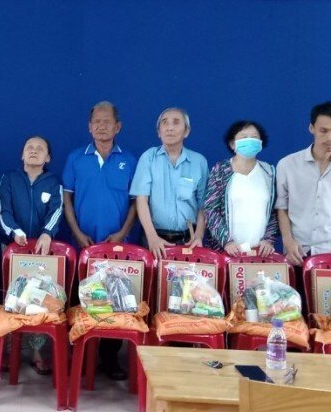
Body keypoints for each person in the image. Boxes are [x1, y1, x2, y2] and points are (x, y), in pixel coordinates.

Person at [62, 101, 138, 381]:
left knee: (113, 299)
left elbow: (136, 202)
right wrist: (77, 233)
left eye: (107, 122)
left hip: (117, 245)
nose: (101, 126)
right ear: (89, 126)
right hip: (82, 243)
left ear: (118, 126)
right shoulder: (76, 158)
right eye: (96, 121)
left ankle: (109, 358)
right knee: (79, 298)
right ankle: (80, 355)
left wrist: (121, 234)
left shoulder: (129, 160)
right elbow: (66, 199)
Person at [0, 135, 64, 375]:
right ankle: (9, 348)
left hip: (42, 251)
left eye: (40, 148)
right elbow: (3, 211)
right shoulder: (9, 178)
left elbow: (57, 210)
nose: (33, 151)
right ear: (22, 154)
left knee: (38, 300)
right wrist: (14, 231)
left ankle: (36, 351)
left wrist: (47, 233)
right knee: (12, 298)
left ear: (48, 158)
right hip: (13, 248)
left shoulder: (53, 182)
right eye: (29, 147)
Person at [276, 101, 331, 266]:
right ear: (311, 128)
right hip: (298, 250)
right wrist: (287, 240)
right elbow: (282, 207)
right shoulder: (287, 165)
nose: (330, 138)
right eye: (324, 131)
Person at [132, 108, 208, 259]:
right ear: (159, 132)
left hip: (189, 241)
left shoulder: (199, 162)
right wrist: (152, 237)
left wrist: (198, 235)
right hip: (154, 239)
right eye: (164, 123)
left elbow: (204, 204)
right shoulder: (148, 158)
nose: (169, 127)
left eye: (176, 122)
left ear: (186, 131)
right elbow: (141, 199)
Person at [202, 120, 278, 257]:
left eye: (254, 137)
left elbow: (274, 212)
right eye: (244, 137)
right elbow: (211, 210)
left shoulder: (269, 172)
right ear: (232, 144)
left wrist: (268, 240)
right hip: (227, 252)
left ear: (261, 142)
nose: (250, 141)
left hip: (259, 253)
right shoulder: (221, 170)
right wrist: (227, 242)